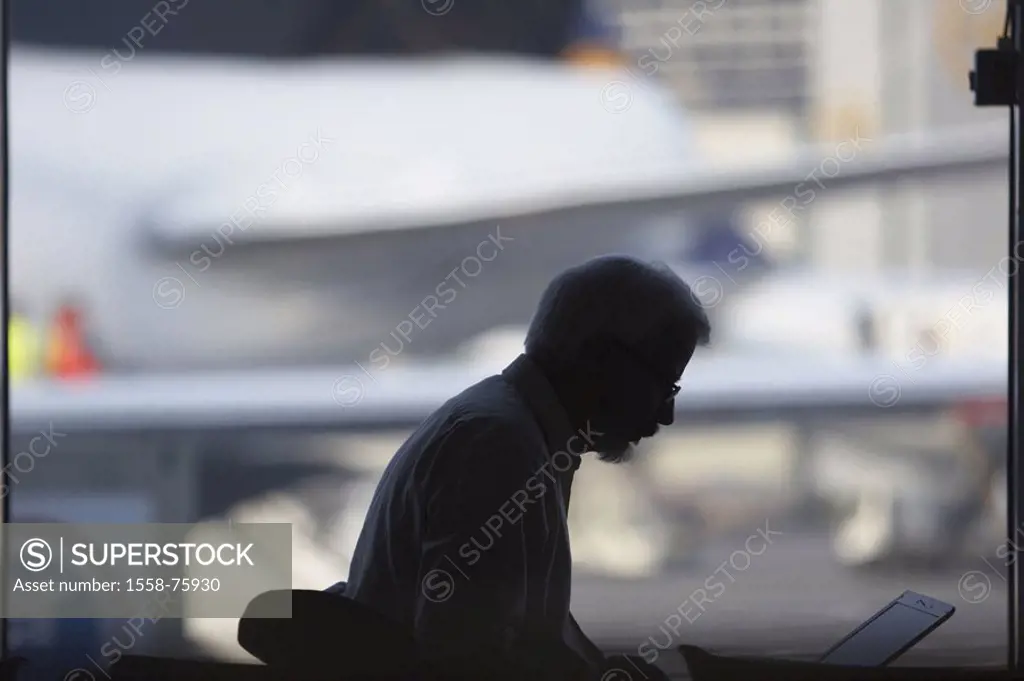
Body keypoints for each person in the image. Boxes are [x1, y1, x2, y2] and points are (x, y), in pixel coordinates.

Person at [340, 255, 711, 681]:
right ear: (601, 360)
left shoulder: (507, 431)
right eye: (663, 386)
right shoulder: (499, 450)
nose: (666, 416)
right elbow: (466, 662)